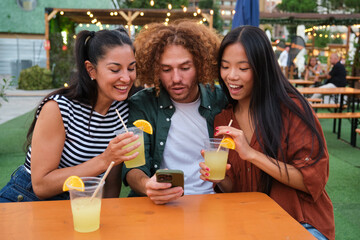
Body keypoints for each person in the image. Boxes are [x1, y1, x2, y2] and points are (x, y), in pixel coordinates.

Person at [199, 26, 335, 240]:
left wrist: (252, 154)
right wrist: (221, 177)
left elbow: (312, 180)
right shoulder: (224, 119)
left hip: (300, 223)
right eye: (225, 67)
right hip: (250, 224)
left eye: (243, 68)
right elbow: (236, 189)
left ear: (262, 68)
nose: (231, 76)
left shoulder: (292, 109)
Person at [0, 28, 140, 202]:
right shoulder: (59, 108)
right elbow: (41, 186)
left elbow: (111, 183)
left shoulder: (124, 110)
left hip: (79, 202)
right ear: (91, 70)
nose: (126, 78)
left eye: (131, 68)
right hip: (28, 198)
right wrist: (104, 160)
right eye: (115, 70)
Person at [122, 20, 228, 204]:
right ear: (155, 70)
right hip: (164, 205)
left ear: (201, 65)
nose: (176, 78)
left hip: (213, 203)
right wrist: (147, 184)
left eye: (185, 68)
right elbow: (133, 166)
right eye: (166, 69)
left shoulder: (221, 99)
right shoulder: (143, 104)